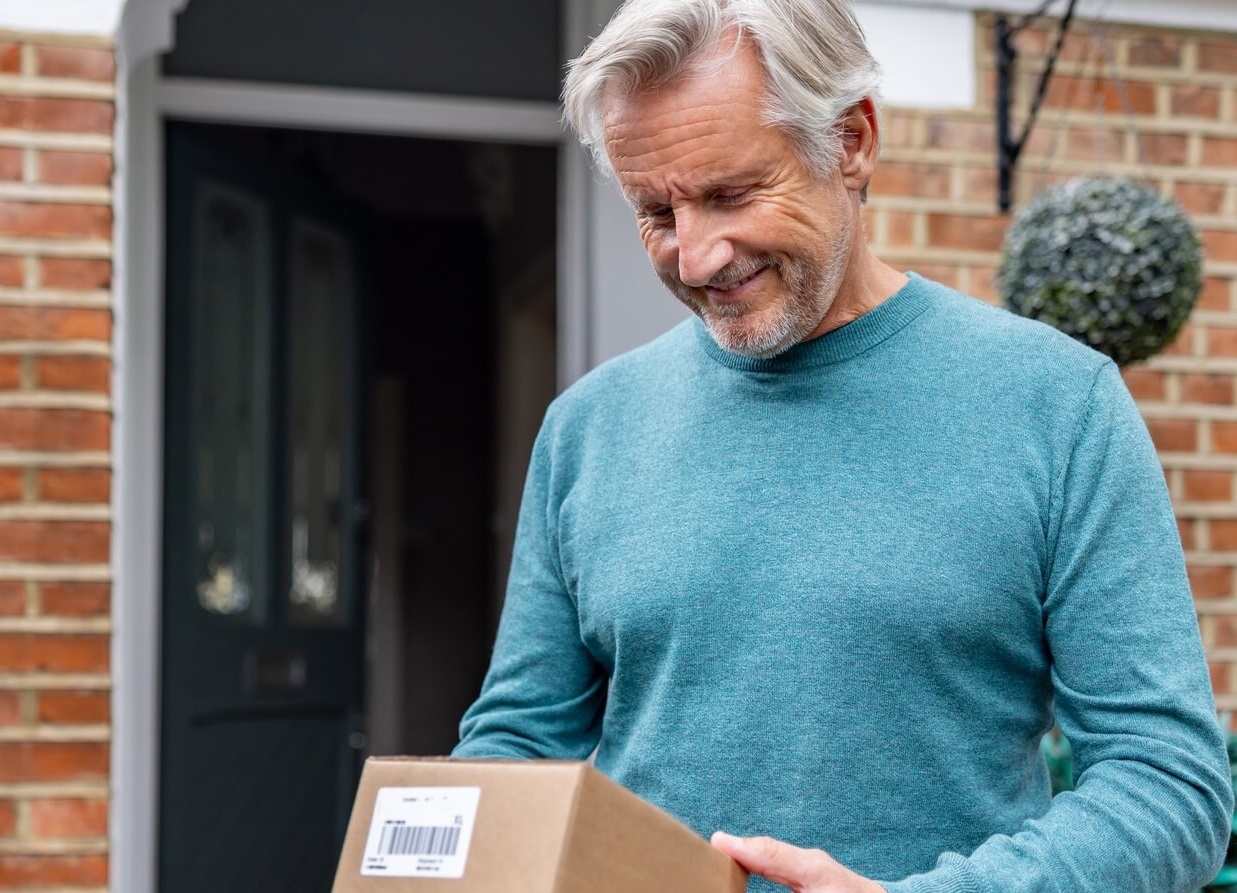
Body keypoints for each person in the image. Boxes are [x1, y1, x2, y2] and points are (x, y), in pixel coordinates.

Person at [452, 0, 1234, 889]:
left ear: (852, 141)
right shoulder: (587, 427)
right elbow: (517, 742)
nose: (697, 255)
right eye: (656, 212)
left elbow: (1167, 782)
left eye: (729, 194)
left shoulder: (1058, 405)